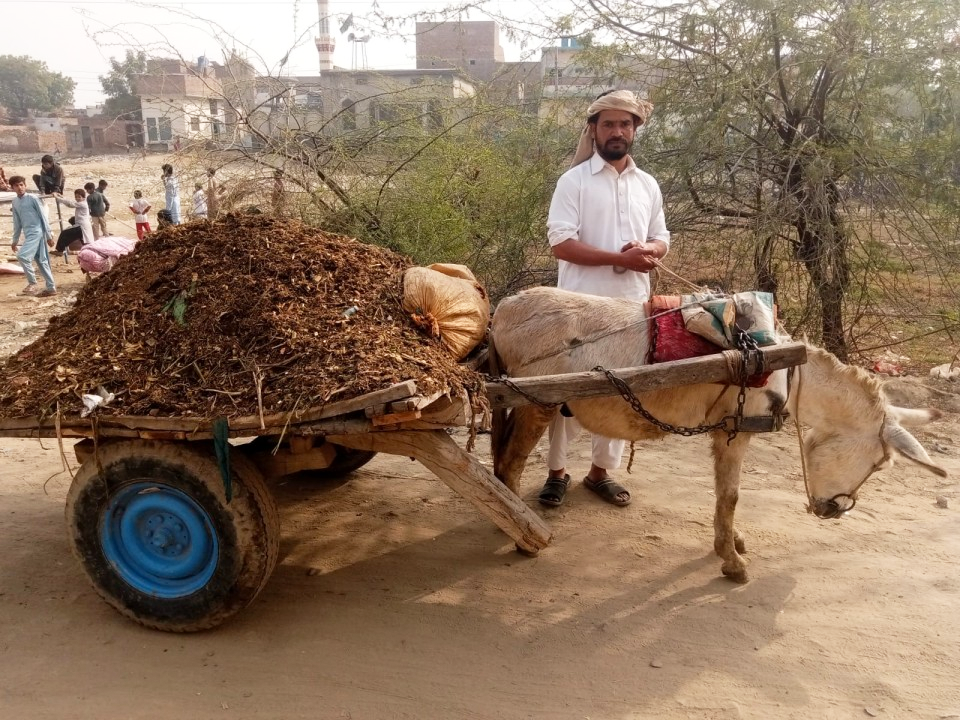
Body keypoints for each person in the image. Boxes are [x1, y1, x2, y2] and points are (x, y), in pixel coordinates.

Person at [537, 89, 670, 509]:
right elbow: (561, 243)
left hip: (632, 309)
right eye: (609, 123)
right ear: (593, 130)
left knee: (620, 391)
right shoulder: (573, 181)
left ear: (635, 131)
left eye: (625, 124)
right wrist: (620, 258)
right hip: (577, 311)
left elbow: (662, 238)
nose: (617, 131)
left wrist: (650, 253)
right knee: (567, 395)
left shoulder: (647, 184)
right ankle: (556, 473)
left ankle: (600, 474)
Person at [8, 175, 57, 297]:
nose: (19, 188)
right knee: (42, 261)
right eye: (16, 185)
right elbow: (17, 223)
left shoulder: (33, 198)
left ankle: (32, 283)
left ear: (25, 185)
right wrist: (15, 240)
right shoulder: (15, 202)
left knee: (22, 256)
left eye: (21, 185)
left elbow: (43, 217)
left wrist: (49, 235)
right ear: (12, 187)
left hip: (37, 232)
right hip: (28, 233)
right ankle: (51, 288)